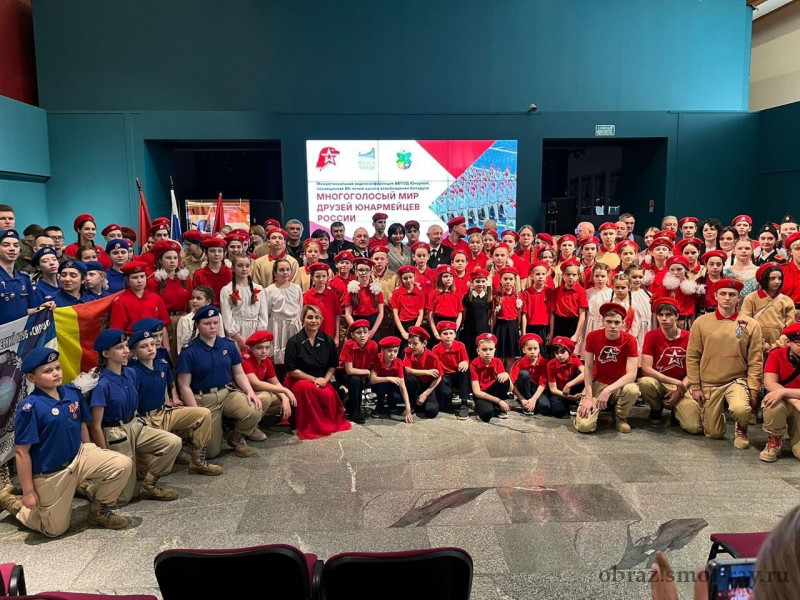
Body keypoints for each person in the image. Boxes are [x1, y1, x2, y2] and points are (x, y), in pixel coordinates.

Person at [0, 348, 132, 536]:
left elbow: (82, 425)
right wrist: (29, 492)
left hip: (78, 457)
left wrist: (90, 451)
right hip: (52, 473)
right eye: (47, 371)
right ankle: (12, 502)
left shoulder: (72, 393)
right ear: (31, 378)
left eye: (57, 368)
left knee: (122, 464)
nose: (56, 373)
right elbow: (22, 452)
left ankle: (99, 511)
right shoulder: (30, 407)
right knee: (54, 530)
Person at [88, 329, 182, 504]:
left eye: (126, 346)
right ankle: (88, 487)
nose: (126, 351)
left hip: (135, 424)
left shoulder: (130, 373)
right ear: (106, 354)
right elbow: (95, 425)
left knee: (173, 443)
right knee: (124, 498)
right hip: (115, 432)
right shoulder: (102, 384)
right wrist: (105, 454)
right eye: (119, 348)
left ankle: (149, 485)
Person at [127, 329, 223, 476]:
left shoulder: (162, 364)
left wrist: (171, 401)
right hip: (145, 419)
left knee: (203, 414)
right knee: (146, 472)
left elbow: (166, 387)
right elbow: (131, 401)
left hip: (164, 412)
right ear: (133, 352)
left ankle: (198, 461)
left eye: (152, 344)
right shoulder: (132, 372)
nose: (150, 348)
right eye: (144, 346)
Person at [175, 305, 265, 458]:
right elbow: (184, 386)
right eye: (207, 323)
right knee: (211, 453)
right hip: (204, 399)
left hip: (226, 393)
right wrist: (197, 413)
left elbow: (239, 373)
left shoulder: (227, 345)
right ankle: (189, 437)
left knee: (254, 410)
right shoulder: (189, 351)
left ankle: (236, 438)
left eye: (215, 323)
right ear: (197, 325)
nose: (212, 327)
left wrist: (250, 392)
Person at [686, 279, 763, 449]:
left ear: (739, 297)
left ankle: (741, 428)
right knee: (714, 434)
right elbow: (692, 357)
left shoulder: (751, 324)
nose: (727, 298)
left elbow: (755, 360)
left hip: (737, 380)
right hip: (710, 382)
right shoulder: (701, 322)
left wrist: (753, 389)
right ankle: (712, 417)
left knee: (741, 408)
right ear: (715, 296)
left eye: (732, 294)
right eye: (723, 294)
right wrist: (695, 386)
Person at [284, 304, 351, 439]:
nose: (314, 321)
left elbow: (332, 365)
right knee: (306, 388)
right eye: (309, 317)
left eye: (317, 317)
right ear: (303, 320)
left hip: (322, 379)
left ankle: (325, 423)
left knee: (328, 395)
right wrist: (314, 379)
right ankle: (305, 425)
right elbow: (292, 370)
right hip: (299, 380)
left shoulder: (328, 340)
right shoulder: (294, 341)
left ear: (321, 320)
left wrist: (325, 380)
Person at [637, 298, 702, 433]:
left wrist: (680, 390)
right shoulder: (651, 336)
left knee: (694, 428)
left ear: (677, 316)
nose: (664, 319)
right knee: (645, 382)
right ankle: (656, 408)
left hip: (685, 384)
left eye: (668, 315)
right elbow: (646, 369)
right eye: (660, 315)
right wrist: (676, 383)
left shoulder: (690, 337)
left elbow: (694, 368)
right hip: (661, 382)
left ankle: (676, 409)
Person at [574, 302, 640, 434]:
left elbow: (632, 374)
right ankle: (592, 409)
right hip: (598, 383)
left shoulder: (630, 340)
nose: (613, 326)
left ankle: (620, 416)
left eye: (617, 322)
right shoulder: (592, 337)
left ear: (623, 323)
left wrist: (608, 390)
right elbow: (588, 368)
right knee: (584, 427)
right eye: (609, 321)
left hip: (618, 385)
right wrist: (588, 397)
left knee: (633, 389)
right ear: (602, 322)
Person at [760, 323, 800, 462]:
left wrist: (783, 392)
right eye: (799, 343)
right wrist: (793, 400)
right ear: (788, 342)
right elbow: (769, 383)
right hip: (787, 402)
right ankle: (774, 439)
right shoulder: (776, 354)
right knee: (772, 403)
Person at [109, 261, 171, 350]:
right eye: (135, 277)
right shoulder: (120, 301)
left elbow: (163, 325)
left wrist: (166, 348)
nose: (139, 281)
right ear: (127, 279)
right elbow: (117, 331)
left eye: (142, 276)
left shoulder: (156, 298)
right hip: (133, 343)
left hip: (155, 341)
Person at [241, 330, 297, 425]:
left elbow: (275, 382)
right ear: (250, 348)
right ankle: (247, 426)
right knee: (266, 397)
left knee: (284, 399)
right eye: (259, 348)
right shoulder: (245, 360)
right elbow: (256, 384)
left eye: (267, 347)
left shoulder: (267, 361)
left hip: (256, 392)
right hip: (243, 393)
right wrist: (285, 390)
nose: (264, 351)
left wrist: (284, 397)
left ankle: (255, 422)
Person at [148, 239, 192, 358]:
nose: (172, 261)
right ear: (160, 260)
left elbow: (190, 301)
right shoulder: (153, 281)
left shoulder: (185, 279)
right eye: (168, 258)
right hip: (165, 322)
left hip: (183, 319)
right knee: (169, 353)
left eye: (175, 258)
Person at [741, 262, 795, 352]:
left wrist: (778, 344)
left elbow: (790, 327)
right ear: (764, 279)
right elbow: (745, 322)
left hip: (779, 347)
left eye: (780, 278)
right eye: (772, 278)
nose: (777, 281)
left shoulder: (786, 300)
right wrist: (761, 343)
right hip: (754, 344)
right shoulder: (751, 298)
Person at [220, 254, 269, 352]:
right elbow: (227, 317)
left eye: (247, 266)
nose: (244, 269)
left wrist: (257, 337)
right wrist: (238, 337)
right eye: (240, 266)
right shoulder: (227, 290)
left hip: (255, 332)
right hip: (236, 334)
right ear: (233, 268)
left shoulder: (258, 289)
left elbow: (263, 315)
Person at [264, 258, 303, 368]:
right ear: (275, 273)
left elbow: (300, 308)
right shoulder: (269, 290)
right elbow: (267, 311)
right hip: (278, 325)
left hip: (294, 324)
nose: (285, 272)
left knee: (295, 354)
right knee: (279, 357)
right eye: (281, 270)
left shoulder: (297, 288)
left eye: (288, 269)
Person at [338, 319, 378, 423]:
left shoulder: (373, 345)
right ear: (352, 335)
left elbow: (372, 364)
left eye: (365, 332)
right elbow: (349, 370)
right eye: (358, 333)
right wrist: (367, 372)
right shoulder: (348, 345)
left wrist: (368, 374)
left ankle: (352, 403)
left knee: (363, 381)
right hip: (344, 373)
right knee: (355, 380)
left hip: (361, 372)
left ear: (369, 334)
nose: (362, 335)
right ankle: (354, 412)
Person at [0, 230, 41, 325]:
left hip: (21, 331)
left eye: (16, 245)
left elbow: (30, 310)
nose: (12, 249)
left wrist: (43, 308)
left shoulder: (24, 278)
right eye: (6, 245)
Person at [430, 321, 471, 419]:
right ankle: (447, 400)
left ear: (455, 335)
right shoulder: (435, 349)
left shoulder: (460, 346)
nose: (448, 336)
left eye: (451, 333)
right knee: (445, 394)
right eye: (445, 333)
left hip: (457, 374)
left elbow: (466, 360)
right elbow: (435, 367)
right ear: (440, 335)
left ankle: (464, 403)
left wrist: (464, 362)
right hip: (444, 376)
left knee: (465, 370)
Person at [511, 334, 558, 417]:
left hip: (537, 390)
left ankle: (531, 403)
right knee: (524, 374)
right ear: (524, 350)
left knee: (545, 407)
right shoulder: (519, 363)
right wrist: (522, 399)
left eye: (535, 348)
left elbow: (543, 384)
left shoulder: (544, 363)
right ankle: (526, 403)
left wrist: (534, 399)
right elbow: (512, 384)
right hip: (524, 389)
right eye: (529, 349)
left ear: (539, 349)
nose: (532, 352)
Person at [402, 326, 443, 418]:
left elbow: (438, 377)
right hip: (416, 384)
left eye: (415, 344)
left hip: (428, 385)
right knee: (409, 378)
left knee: (431, 412)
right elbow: (407, 370)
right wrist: (426, 372)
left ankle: (422, 403)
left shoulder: (432, 357)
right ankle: (412, 404)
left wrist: (425, 394)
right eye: (409, 343)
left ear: (424, 343)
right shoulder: (408, 352)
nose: (411, 346)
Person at [370, 336, 413, 422]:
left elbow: (402, 385)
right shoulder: (378, 359)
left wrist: (408, 408)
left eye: (395, 351)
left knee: (396, 395)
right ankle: (380, 405)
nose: (392, 354)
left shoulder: (398, 363)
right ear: (382, 350)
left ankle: (392, 405)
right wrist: (389, 378)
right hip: (379, 384)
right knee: (381, 387)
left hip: (391, 386)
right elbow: (372, 379)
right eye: (389, 351)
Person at [469, 333, 512, 422]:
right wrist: (499, 401)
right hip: (482, 394)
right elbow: (477, 392)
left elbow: (510, 388)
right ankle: (494, 404)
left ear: (494, 350)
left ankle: (498, 407)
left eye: (491, 349)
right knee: (486, 414)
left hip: (494, 391)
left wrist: (507, 375)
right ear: (478, 351)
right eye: (484, 350)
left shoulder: (497, 361)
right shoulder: (474, 364)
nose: (488, 353)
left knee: (504, 379)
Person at [302, 261, 342, 344]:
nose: (321, 279)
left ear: (328, 277)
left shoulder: (332, 294)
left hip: (330, 333)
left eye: (324, 276)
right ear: (312, 277)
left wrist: (337, 337)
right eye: (317, 276)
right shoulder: (307, 295)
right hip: (312, 334)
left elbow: (337, 316)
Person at [176, 285, 224, 350]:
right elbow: (181, 346)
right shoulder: (185, 320)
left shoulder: (217, 316)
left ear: (208, 302)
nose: (194, 301)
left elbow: (221, 337)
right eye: (193, 298)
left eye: (198, 298)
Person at [546, 336, 585, 417]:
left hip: (572, 388)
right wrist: (570, 397)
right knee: (558, 412)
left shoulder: (574, 358)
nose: (560, 355)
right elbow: (553, 389)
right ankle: (570, 402)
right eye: (557, 353)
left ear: (569, 351)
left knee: (581, 374)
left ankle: (574, 402)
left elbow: (585, 373)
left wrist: (569, 385)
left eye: (563, 352)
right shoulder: (551, 364)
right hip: (559, 392)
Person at [191, 237, 233, 305]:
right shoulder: (199, 274)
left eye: (220, 251)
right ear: (206, 253)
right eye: (212, 251)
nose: (216, 254)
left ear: (224, 253)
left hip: (228, 307)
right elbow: (194, 297)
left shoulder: (230, 273)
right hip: (206, 309)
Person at [461, 268, 492, 359]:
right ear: (472, 283)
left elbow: (489, 314)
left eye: (483, 281)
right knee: (470, 349)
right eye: (477, 281)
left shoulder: (488, 298)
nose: (480, 284)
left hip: (483, 328)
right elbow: (464, 312)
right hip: (469, 328)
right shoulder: (467, 297)